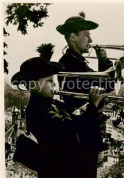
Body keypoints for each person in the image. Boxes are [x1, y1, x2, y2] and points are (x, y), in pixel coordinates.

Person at [11, 44, 103, 178]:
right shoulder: (37, 110)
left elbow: (75, 119)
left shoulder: (50, 104)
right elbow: (67, 130)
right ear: (35, 85)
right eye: (49, 81)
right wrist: (92, 108)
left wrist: (94, 105)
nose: (54, 84)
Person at [56, 12, 124, 112]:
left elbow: (102, 82)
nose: (91, 40)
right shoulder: (68, 63)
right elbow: (100, 87)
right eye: (86, 35)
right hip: (82, 123)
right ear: (73, 37)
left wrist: (103, 60)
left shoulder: (76, 61)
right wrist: (117, 68)